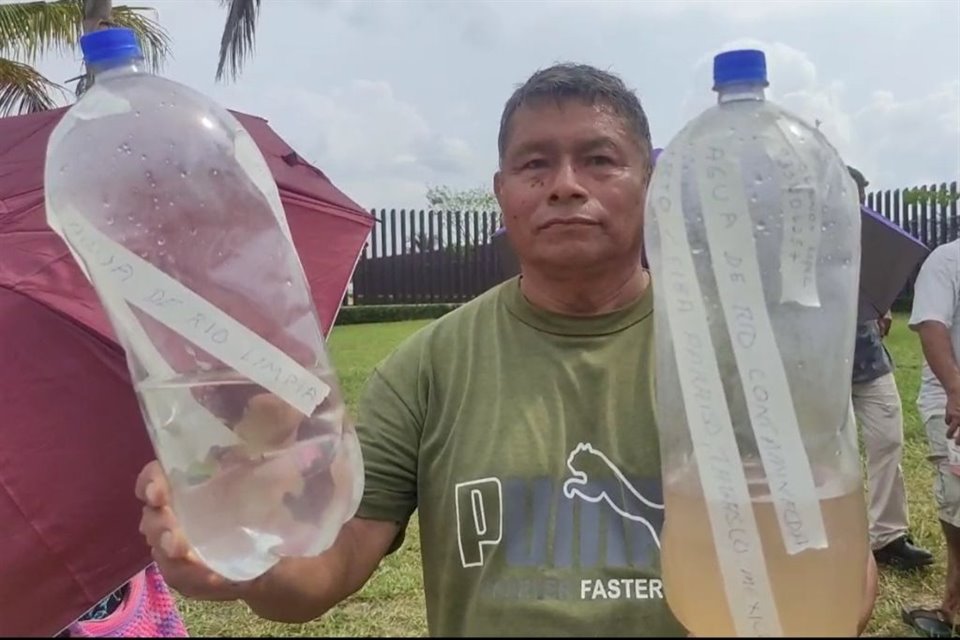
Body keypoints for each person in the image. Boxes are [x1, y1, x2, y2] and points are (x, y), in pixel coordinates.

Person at [136, 63, 878, 637]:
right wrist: (245, 558)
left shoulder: (731, 356)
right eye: (535, 165)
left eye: (599, 160)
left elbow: (832, 575)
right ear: (501, 191)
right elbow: (329, 569)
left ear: (650, 183)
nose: (565, 187)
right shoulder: (427, 367)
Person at [846, 167, 934, 571]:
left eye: (862, 197)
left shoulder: (866, 247)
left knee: (888, 441)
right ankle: (835, 536)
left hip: (870, 361)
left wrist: (878, 311)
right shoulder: (800, 245)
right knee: (834, 455)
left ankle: (888, 536)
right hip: (823, 371)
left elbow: (872, 292)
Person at [902, 238, 960, 637]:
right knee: (957, 503)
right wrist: (957, 390)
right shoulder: (946, 261)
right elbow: (932, 325)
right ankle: (951, 606)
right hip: (950, 400)